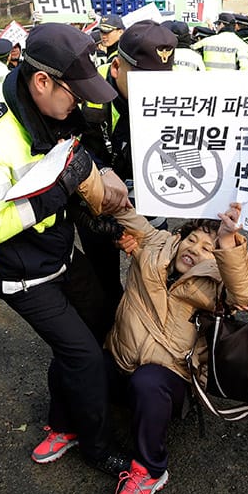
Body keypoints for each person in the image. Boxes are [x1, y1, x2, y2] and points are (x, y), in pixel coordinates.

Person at [0, 22, 130, 475]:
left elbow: (80, 151)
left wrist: (98, 171)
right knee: (82, 354)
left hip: (62, 251)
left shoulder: (55, 106)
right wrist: (65, 185)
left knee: (103, 322)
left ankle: (63, 420)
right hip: (18, 270)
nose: (78, 105)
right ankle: (97, 446)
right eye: (74, 93)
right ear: (42, 81)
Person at [103, 203, 248, 494]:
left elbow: (245, 296)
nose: (195, 250)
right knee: (75, 361)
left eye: (207, 249)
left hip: (168, 379)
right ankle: (64, 427)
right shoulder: (155, 242)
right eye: (192, 240)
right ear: (178, 237)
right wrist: (91, 169)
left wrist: (227, 242)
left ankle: (150, 471)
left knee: (148, 382)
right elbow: (119, 207)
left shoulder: (218, 283)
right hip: (120, 358)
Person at [78, 20, 179, 330]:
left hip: (152, 198)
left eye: (161, 81)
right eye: (143, 80)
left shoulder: (177, 96)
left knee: (159, 270)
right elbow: (70, 148)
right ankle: (113, 338)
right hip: (98, 204)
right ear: (117, 66)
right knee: (104, 280)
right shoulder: (87, 95)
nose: (152, 91)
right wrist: (103, 170)